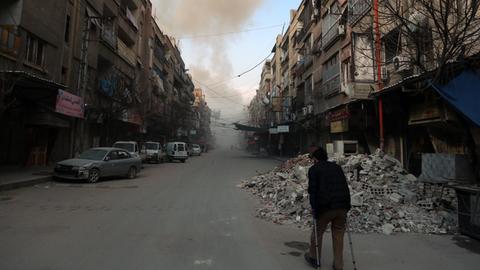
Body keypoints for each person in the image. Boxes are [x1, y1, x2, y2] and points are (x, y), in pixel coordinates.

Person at [305, 147, 351, 270]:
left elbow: (313, 191)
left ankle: (314, 258)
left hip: (326, 207)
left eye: (313, 159)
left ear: (315, 159)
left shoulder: (314, 169)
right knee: (338, 234)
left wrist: (314, 209)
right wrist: (347, 206)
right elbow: (345, 187)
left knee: (318, 232)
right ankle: (338, 265)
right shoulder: (337, 167)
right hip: (342, 206)